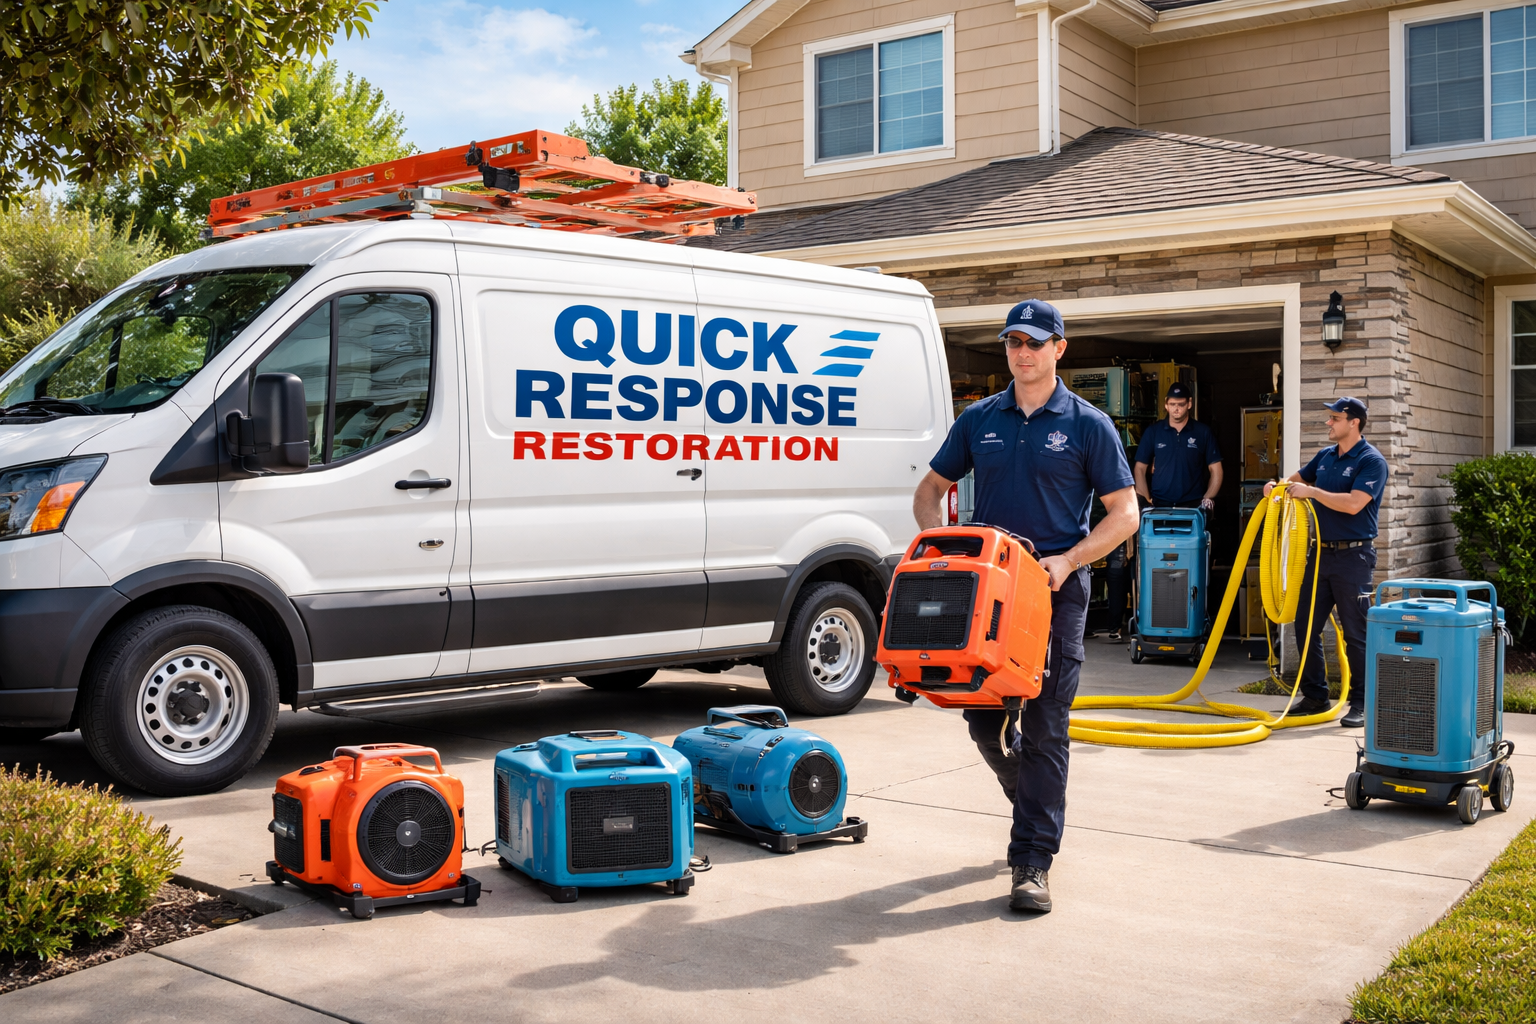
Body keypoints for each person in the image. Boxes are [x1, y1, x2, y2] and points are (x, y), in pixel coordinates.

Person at [912, 299, 1138, 913]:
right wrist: (939, 547)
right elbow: (931, 489)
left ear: (1059, 349)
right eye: (1014, 341)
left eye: (1035, 342)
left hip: (1054, 594)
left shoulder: (1089, 425)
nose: (1023, 351)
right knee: (982, 722)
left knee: (1043, 727)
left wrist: (1069, 560)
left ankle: (1032, 860)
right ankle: (1028, 792)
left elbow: (1125, 515)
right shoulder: (979, 418)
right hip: (985, 598)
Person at [1263, 396, 1386, 729]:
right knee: (1304, 626)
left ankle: (1361, 703)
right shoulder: (1326, 457)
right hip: (1320, 555)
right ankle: (1316, 696)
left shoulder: (1371, 461)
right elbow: (1294, 482)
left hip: (1354, 557)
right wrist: (1276, 487)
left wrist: (1313, 493)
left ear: (1353, 422)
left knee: (1356, 634)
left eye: (1334, 418)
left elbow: (1354, 504)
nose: (1328, 423)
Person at [1133, 382, 1223, 512]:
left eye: (1181, 404)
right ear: (1166, 404)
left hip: (1193, 507)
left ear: (1189, 404)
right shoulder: (1153, 432)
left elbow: (1216, 470)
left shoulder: (1203, 432)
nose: (1176, 408)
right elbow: (1140, 468)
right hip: (1159, 505)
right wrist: (1146, 501)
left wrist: (1207, 499)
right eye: (1172, 404)